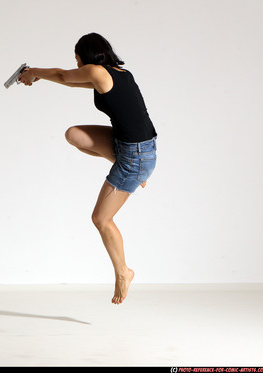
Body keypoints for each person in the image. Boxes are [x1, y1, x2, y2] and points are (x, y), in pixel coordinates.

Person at [19, 33, 157, 305]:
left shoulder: (96, 72)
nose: (77, 64)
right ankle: (135, 174)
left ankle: (123, 272)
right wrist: (38, 77)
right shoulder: (117, 74)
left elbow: (62, 74)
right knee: (74, 135)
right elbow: (66, 80)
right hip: (135, 148)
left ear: (86, 56)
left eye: (77, 59)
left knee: (101, 219)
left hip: (136, 156)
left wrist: (33, 71)